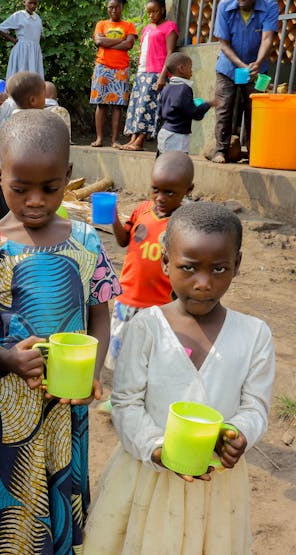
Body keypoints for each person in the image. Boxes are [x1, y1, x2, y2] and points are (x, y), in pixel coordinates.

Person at [0, 110, 119, 554]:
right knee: (9, 517)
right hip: (2, 409)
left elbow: (100, 314)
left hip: (66, 408)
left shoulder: (87, 240)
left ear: (67, 177)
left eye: (49, 189)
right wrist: (6, 357)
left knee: (59, 515)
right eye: (20, 187)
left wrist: (94, 370)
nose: (34, 200)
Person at [84, 202, 275, 555]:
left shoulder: (254, 335)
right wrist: (157, 448)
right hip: (148, 478)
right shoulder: (147, 327)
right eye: (189, 268)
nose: (203, 283)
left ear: (238, 264)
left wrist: (237, 434)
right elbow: (126, 403)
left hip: (218, 486)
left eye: (219, 268)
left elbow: (256, 406)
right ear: (166, 263)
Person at [105, 151, 193, 392]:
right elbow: (124, 241)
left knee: (153, 353)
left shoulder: (186, 223)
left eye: (170, 192)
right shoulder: (142, 210)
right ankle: (121, 396)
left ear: (188, 190)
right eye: (155, 189)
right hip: (129, 297)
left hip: (161, 303)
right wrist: (113, 217)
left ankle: (147, 396)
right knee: (122, 350)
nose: (160, 198)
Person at [211, 0, 279, 163]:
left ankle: (254, 152)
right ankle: (220, 150)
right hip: (227, 68)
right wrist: (243, 66)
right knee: (224, 107)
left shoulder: (270, 5)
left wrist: (258, 62)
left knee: (255, 110)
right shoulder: (224, 6)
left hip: (257, 69)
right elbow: (224, 44)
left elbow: (267, 38)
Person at [120, 0, 178, 151]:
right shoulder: (146, 28)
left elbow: (170, 53)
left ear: (162, 10)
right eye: (149, 12)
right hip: (142, 72)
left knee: (148, 107)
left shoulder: (170, 27)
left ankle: (140, 141)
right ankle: (133, 138)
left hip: (156, 72)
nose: (151, 15)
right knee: (136, 107)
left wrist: (163, 76)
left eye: (155, 11)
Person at [0, 70, 46, 220]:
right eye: (44, 96)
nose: (45, 101)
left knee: (4, 225)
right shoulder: (29, 124)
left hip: (1, 181)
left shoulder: (11, 120)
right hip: (14, 186)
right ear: (33, 100)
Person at [90, 0, 137, 148]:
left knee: (118, 105)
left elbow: (129, 44)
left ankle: (115, 140)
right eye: (111, 7)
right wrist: (119, 40)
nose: (114, 10)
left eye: (117, 7)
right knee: (101, 104)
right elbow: (98, 41)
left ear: (122, 7)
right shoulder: (101, 24)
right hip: (102, 66)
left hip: (121, 69)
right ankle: (99, 139)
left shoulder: (128, 25)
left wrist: (107, 41)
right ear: (107, 8)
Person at [157, 52, 215, 155]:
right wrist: (208, 104)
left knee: (162, 166)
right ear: (181, 68)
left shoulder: (166, 89)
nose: (192, 72)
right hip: (177, 138)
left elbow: (160, 112)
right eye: (190, 68)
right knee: (177, 167)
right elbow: (194, 113)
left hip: (164, 133)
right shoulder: (185, 89)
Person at [0, 0, 44, 79]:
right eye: (30, 3)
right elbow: (0, 28)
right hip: (22, 51)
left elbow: (40, 34)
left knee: (34, 78)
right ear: (24, 2)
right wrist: (13, 40)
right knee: (20, 77)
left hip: (35, 51)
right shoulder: (19, 15)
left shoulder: (38, 18)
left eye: (35, 3)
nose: (32, 5)